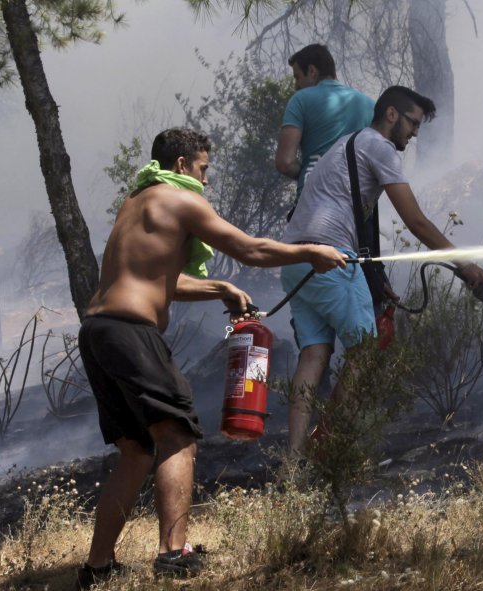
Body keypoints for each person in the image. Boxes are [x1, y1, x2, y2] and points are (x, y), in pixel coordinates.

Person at [76, 127, 346, 589]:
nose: (206, 181)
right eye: (203, 169)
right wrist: (310, 252)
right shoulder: (181, 200)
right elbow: (251, 249)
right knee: (178, 436)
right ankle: (174, 554)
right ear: (182, 165)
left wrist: (220, 287)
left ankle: (97, 568)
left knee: (137, 451)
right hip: (132, 333)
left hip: (99, 331)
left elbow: (159, 281)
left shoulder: (137, 202)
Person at [280, 86, 483, 460]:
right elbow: (416, 222)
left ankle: (295, 462)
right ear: (391, 114)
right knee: (365, 348)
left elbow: (353, 215)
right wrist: (465, 264)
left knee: (313, 355)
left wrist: (376, 280)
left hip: (297, 258)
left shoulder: (348, 144)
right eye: (412, 123)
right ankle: (327, 452)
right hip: (331, 257)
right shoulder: (378, 147)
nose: (414, 133)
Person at [275, 43, 375, 209]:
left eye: (297, 77)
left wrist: (315, 173)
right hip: (354, 208)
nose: (296, 86)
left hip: (312, 204)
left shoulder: (300, 100)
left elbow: (284, 162)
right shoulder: (370, 105)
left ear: (312, 72)